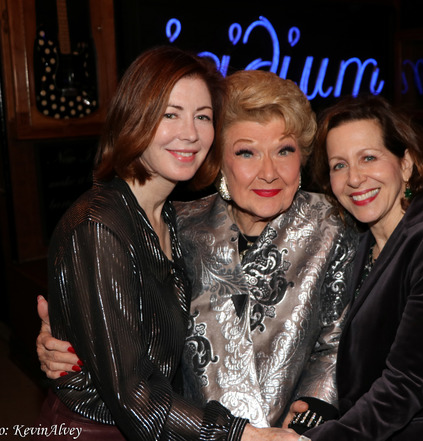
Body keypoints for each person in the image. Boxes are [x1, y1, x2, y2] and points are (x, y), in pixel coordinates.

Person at [35, 69, 357, 432]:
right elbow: (132, 333)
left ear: (303, 156)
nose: (269, 172)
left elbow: (340, 334)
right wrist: (71, 335)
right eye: (247, 152)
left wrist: (312, 410)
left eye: (284, 150)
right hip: (190, 430)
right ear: (219, 159)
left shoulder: (334, 224)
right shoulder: (180, 225)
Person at [298, 94, 423, 441]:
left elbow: (407, 382)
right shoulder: (365, 242)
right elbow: (364, 365)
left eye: (368, 158)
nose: (354, 178)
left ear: (406, 164)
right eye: (339, 165)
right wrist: (322, 409)